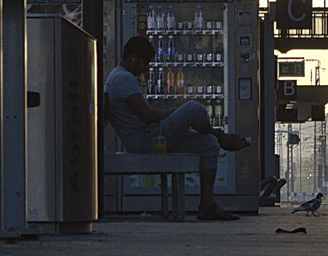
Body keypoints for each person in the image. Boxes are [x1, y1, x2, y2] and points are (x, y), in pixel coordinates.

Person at [105, 35, 248, 221]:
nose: (145, 68)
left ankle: (207, 204)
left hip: (149, 137)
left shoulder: (118, 77)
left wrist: (177, 117)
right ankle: (221, 136)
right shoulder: (123, 78)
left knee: (209, 144)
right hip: (144, 140)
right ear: (134, 58)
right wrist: (177, 114)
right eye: (145, 63)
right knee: (194, 108)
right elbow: (147, 115)